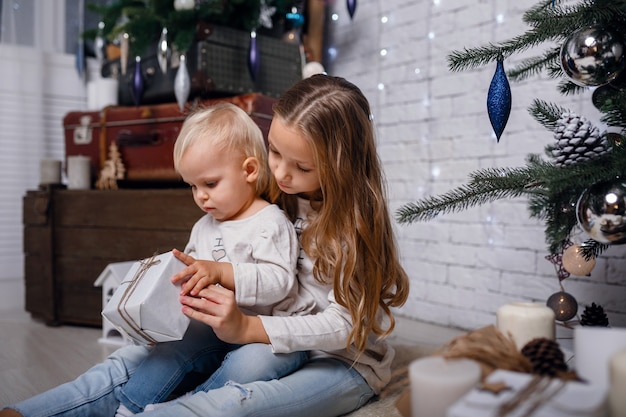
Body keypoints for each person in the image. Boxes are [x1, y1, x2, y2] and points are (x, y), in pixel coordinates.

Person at [0, 74, 410, 417]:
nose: (280, 172)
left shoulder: (354, 227)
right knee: (142, 358)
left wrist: (249, 328)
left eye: (300, 167)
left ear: (340, 166)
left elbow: (342, 326)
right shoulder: (273, 198)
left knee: (233, 405)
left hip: (339, 360)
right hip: (257, 332)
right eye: (274, 152)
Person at [113, 102, 309, 415]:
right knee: (171, 351)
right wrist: (163, 320)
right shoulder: (204, 226)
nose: (200, 196)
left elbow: (279, 283)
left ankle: (189, 405)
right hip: (214, 329)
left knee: (248, 367)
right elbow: (188, 279)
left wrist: (220, 272)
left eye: (210, 184)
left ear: (248, 171)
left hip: (264, 333)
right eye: (193, 186)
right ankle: (129, 406)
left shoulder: (270, 222)